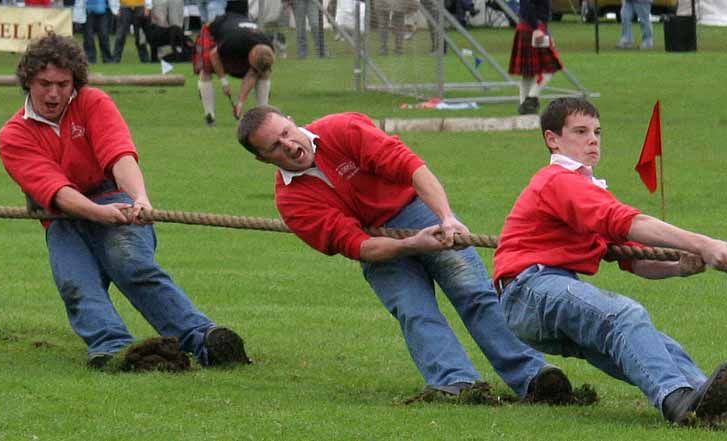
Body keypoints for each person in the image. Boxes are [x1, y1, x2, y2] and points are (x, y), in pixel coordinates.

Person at [494, 98, 727, 424]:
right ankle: (677, 402)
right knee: (625, 315)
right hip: (529, 290)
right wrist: (704, 244)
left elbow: (634, 257)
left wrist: (678, 267)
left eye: (597, 131)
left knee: (658, 346)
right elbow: (630, 223)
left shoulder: (586, 188)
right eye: (580, 131)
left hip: (542, 296)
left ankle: (718, 404)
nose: (593, 139)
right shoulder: (560, 181)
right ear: (553, 139)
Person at [232, 106, 577, 401]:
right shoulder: (292, 202)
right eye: (276, 146)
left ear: (291, 120)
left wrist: (447, 217)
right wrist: (412, 245)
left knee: (475, 293)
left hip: (417, 210)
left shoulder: (343, 129)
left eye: (287, 132)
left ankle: (534, 378)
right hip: (378, 245)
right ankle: (457, 384)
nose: (290, 146)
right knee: (415, 310)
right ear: (263, 159)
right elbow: (358, 245)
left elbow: (411, 168)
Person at [0, 35, 249, 369]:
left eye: (63, 84)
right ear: (28, 80)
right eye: (44, 84)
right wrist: (96, 214)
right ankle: (113, 347)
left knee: (129, 261)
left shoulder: (92, 103)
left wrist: (139, 197)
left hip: (113, 195)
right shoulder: (13, 135)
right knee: (75, 281)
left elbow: (119, 155)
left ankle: (204, 340)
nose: (54, 93)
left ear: (75, 82)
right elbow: (55, 190)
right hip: (61, 214)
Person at [193, 8, 274, 126]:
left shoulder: (268, 47)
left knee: (264, 73)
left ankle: (263, 115)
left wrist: (240, 103)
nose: (253, 70)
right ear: (251, 55)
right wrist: (224, 82)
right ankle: (209, 116)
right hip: (214, 29)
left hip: (237, 29)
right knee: (206, 69)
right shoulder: (233, 42)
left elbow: (252, 74)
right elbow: (213, 55)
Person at [508, 0, 558, 115]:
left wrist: (547, 33)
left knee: (528, 73)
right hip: (533, 28)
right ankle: (531, 99)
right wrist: (536, 29)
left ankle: (524, 108)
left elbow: (542, 10)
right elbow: (526, 5)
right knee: (549, 68)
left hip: (533, 27)